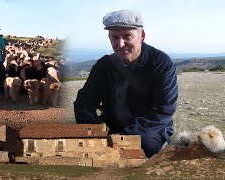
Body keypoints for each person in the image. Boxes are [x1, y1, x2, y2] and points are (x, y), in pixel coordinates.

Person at [74, 10, 178, 158]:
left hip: (149, 129)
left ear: (141, 36)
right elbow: (84, 104)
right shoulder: (104, 65)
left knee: (144, 147)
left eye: (127, 36)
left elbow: (164, 109)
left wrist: (124, 137)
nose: (120, 44)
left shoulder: (161, 64)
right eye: (114, 37)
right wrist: (98, 131)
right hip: (111, 127)